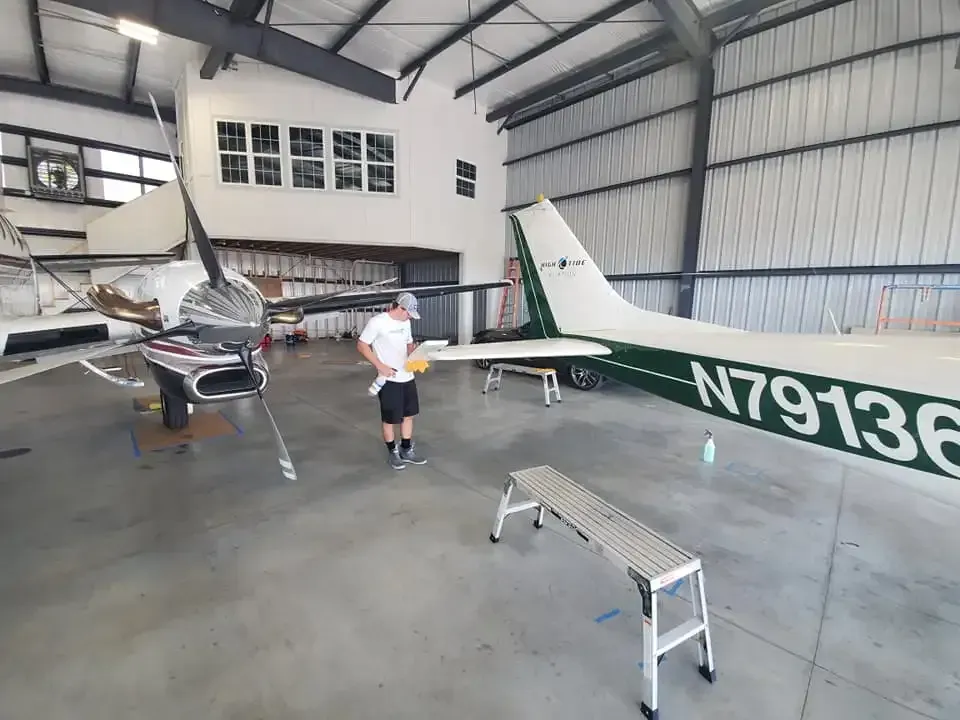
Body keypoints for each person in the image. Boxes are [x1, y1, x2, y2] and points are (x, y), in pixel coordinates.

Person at [356, 292, 427, 470]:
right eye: (408, 313)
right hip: (389, 379)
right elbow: (362, 344)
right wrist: (380, 366)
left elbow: (409, 342)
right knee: (390, 419)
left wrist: (415, 355)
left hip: (408, 376)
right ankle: (392, 452)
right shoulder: (378, 322)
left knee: (408, 416)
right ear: (400, 308)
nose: (410, 317)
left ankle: (406, 449)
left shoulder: (406, 322)